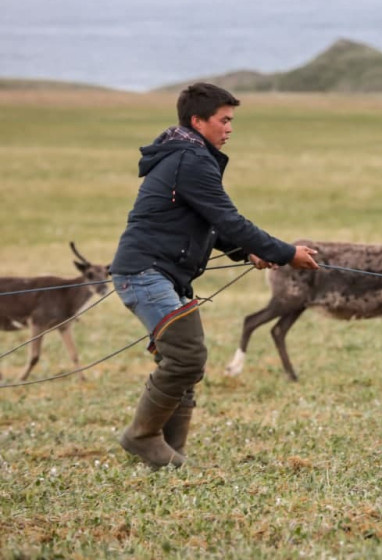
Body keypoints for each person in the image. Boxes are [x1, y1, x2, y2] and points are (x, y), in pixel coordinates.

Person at [110, 82, 319, 468]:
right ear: (197, 121)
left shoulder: (188, 155)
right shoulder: (191, 159)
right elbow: (228, 218)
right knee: (186, 356)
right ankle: (141, 437)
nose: (229, 128)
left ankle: (169, 456)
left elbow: (213, 225)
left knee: (186, 361)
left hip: (160, 275)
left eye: (231, 121)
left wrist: (248, 251)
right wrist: (287, 253)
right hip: (144, 273)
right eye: (224, 120)